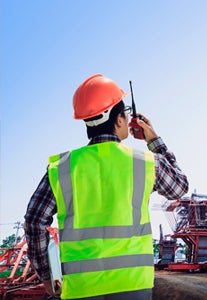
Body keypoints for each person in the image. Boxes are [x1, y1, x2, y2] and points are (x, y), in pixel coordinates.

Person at [24, 74, 189, 299]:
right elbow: (179, 187)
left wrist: (47, 275)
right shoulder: (145, 163)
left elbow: (34, 221)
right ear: (119, 119)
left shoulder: (61, 168)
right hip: (132, 286)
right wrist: (154, 140)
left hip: (80, 288)